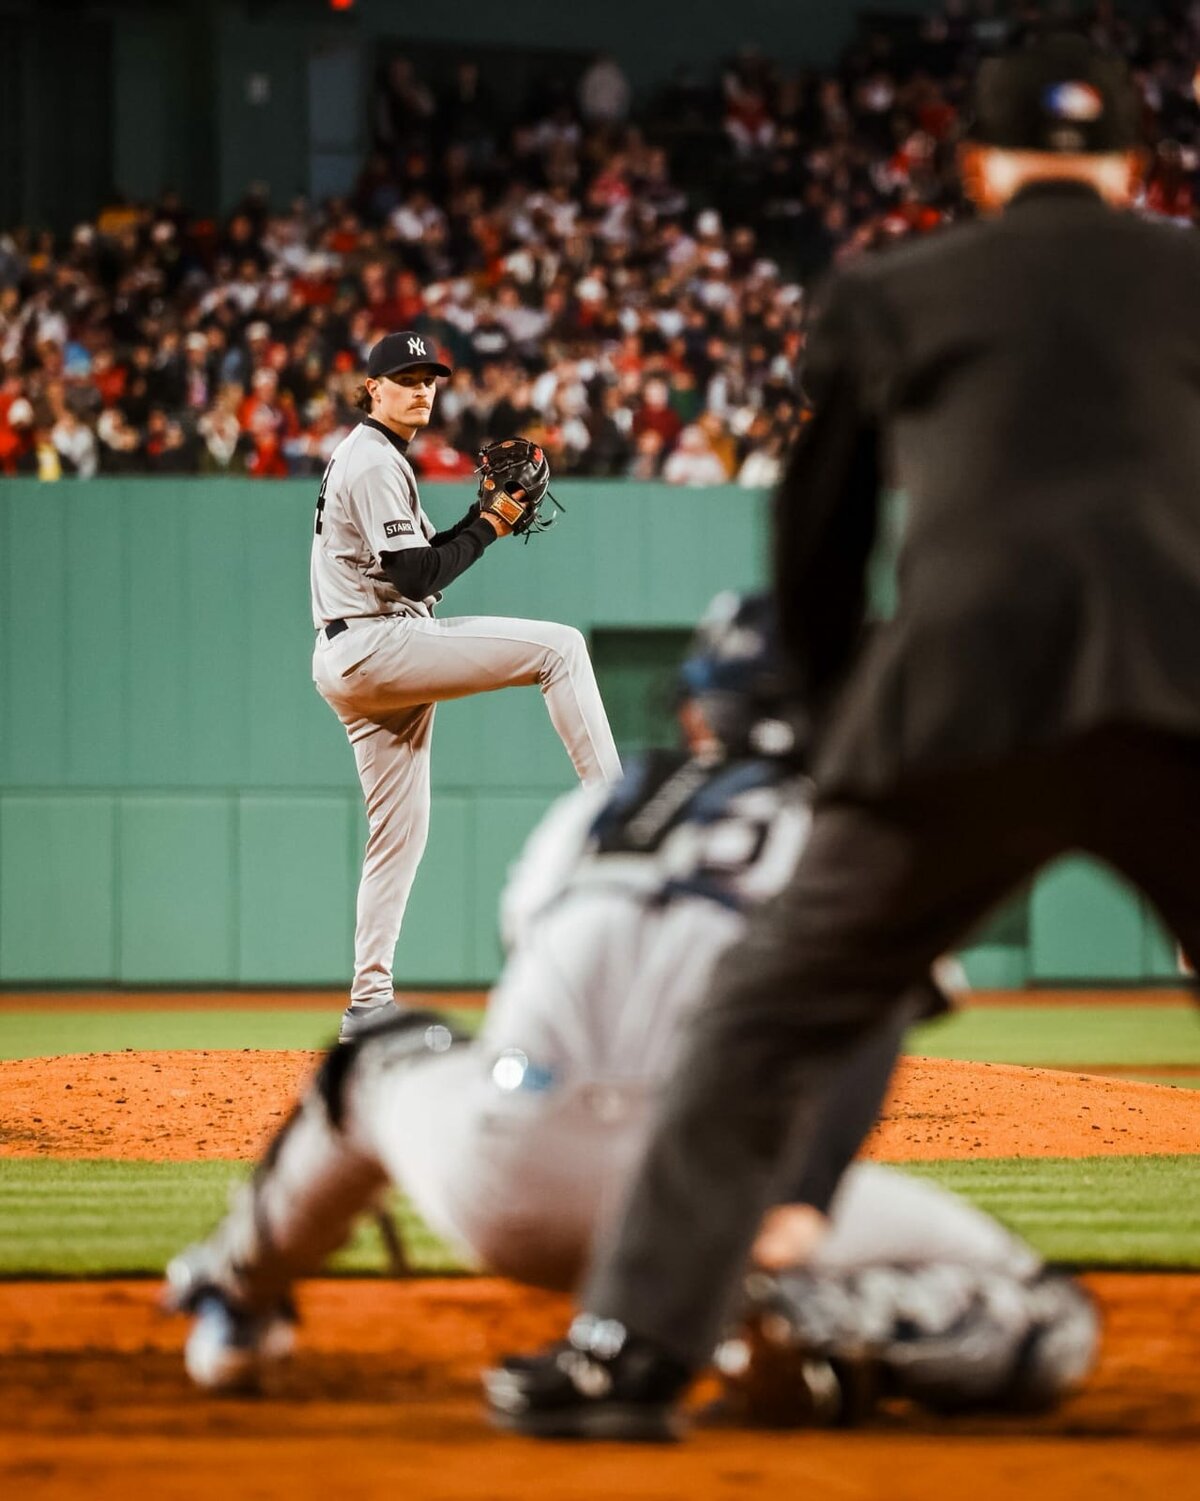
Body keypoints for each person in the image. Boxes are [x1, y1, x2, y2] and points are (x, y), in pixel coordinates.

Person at [490, 33, 1200, 1438]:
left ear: (984, 169)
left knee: (759, 1024)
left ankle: (630, 1353)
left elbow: (816, 541)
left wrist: (824, 725)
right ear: (1130, 167)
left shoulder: (892, 292)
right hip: (1184, 697)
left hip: (954, 710)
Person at [164, 594, 1097, 1426]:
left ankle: (235, 1305)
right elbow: (871, 1024)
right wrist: (799, 1204)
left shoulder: (603, 805)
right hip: (701, 1209)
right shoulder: (864, 833)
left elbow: (535, 957)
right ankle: (796, 1323)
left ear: (706, 708)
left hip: (492, 1168)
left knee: (380, 1052)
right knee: (1051, 1317)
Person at [310, 330, 621, 1043]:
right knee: (562, 649)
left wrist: (489, 525)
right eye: (405, 378)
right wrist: (490, 521)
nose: (421, 390)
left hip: (358, 653)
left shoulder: (377, 457)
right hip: (376, 643)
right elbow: (418, 577)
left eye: (430, 379)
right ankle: (619, 821)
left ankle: (368, 1004)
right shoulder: (371, 460)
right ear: (372, 388)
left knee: (398, 837)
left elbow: (422, 559)